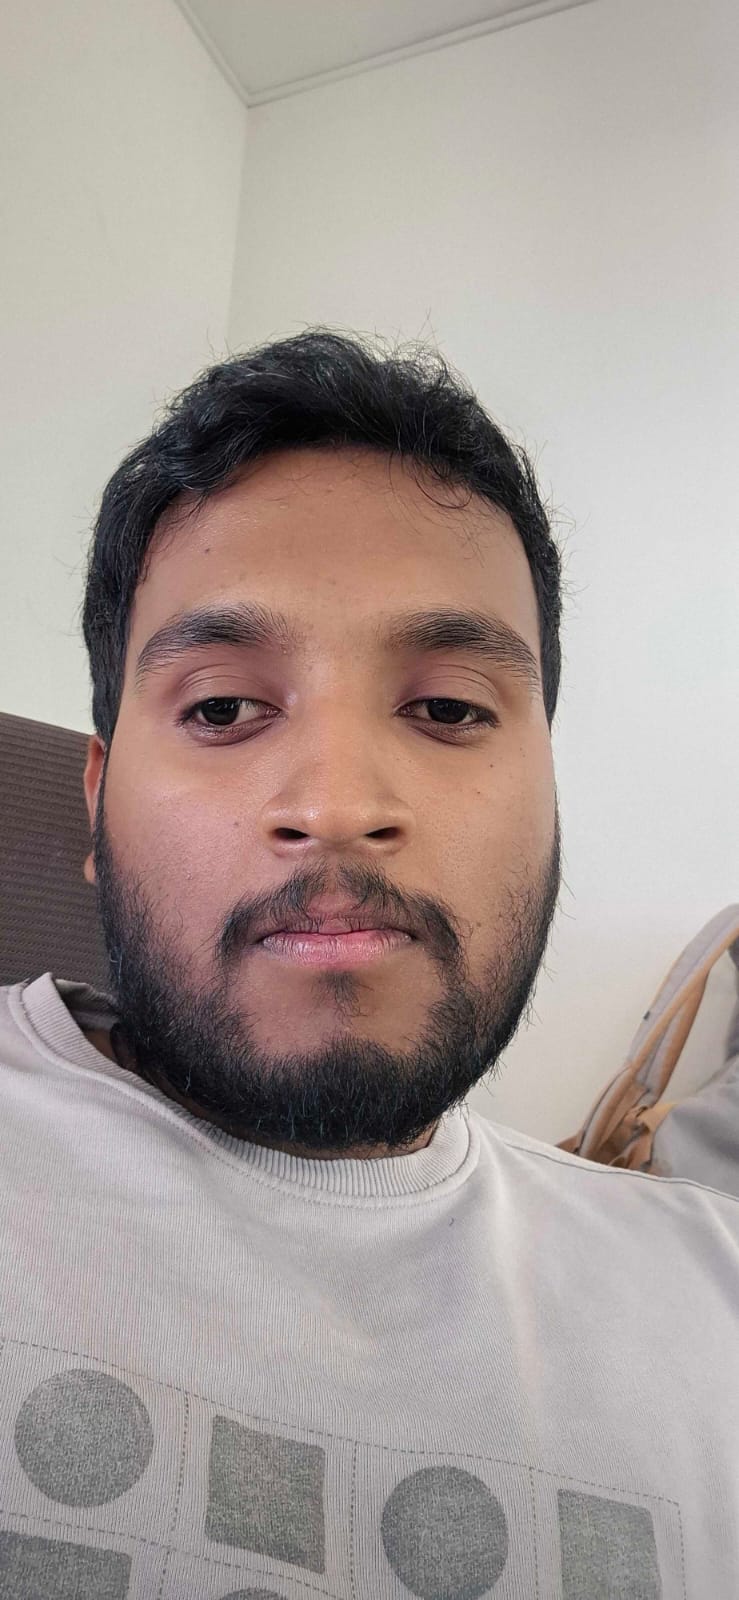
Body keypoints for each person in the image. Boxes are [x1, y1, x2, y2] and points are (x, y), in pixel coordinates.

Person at [1, 330, 736, 1596]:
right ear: (98, 798)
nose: (337, 807)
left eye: (447, 708)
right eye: (222, 707)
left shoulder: (710, 1302)